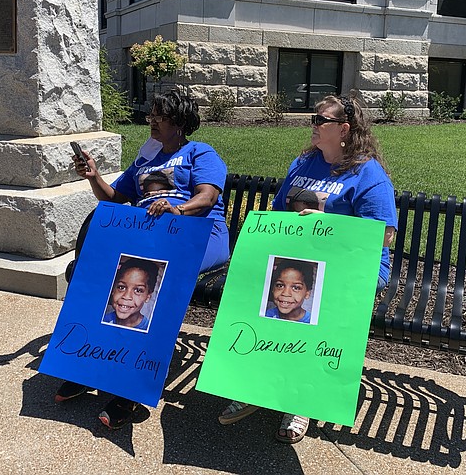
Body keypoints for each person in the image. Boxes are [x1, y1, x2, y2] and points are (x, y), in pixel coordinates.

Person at [218, 94, 397, 443]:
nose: (312, 125)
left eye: (321, 120)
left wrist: (327, 226)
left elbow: (384, 237)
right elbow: (278, 209)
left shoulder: (368, 174)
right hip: (301, 257)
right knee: (272, 289)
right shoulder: (303, 164)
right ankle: (256, 382)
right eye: (313, 118)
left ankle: (301, 397)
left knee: (311, 296)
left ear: (344, 129)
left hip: (354, 265)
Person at [56, 89, 231, 429]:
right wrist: (93, 176)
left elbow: (207, 198)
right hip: (151, 239)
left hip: (196, 237)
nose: (151, 121)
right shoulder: (146, 159)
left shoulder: (201, 153)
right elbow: (116, 197)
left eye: (159, 116)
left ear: (179, 122)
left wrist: (175, 209)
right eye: (151, 114)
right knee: (99, 276)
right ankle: (89, 364)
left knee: (151, 281)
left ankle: (129, 388)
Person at [102, 257, 160, 331]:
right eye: (121, 287)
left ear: (148, 296)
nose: (126, 296)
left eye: (138, 290)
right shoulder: (103, 319)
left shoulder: (149, 330)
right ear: (113, 290)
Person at [263, 259, 315, 323]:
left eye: (296, 288)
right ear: (273, 289)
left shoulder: (311, 321)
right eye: (280, 285)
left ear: (307, 293)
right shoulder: (267, 314)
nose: (285, 293)